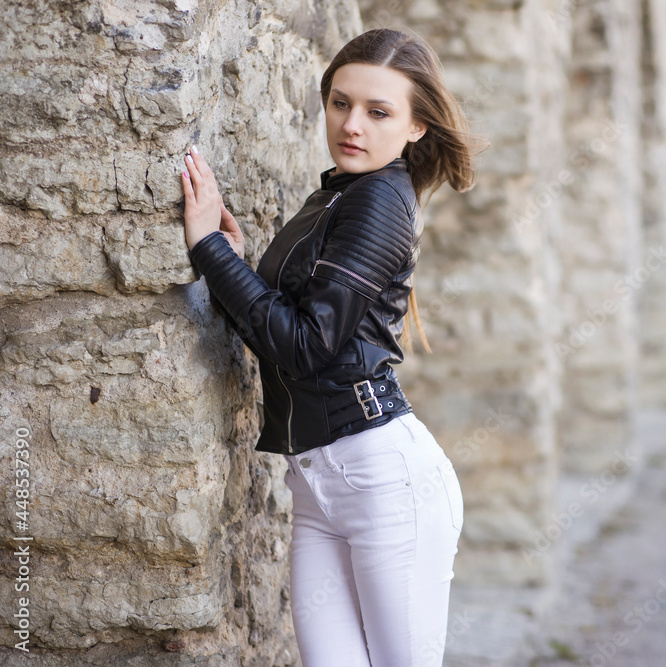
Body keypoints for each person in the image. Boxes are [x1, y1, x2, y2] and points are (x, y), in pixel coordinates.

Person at [180, 28, 484, 667]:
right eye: (340, 103)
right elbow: (280, 326)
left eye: (379, 112)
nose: (352, 125)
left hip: (384, 482)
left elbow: (306, 346)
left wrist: (209, 248)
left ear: (417, 127)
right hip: (319, 480)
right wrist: (233, 264)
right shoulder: (339, 195)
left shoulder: (378, 200)